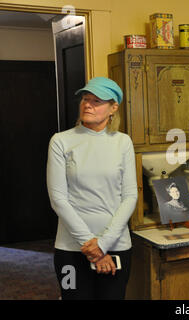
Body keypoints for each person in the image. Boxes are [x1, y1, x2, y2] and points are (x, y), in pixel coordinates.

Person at [46, 77, 138, 299]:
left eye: (97, 101)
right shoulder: (61, 141)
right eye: (85, 99)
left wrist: (103, 244)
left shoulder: (122, 142)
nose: (87, 104)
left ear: (113, 108)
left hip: (116, 246)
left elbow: (130, 196)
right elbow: (59, 198)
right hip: (70, 249)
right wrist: (93, 248)